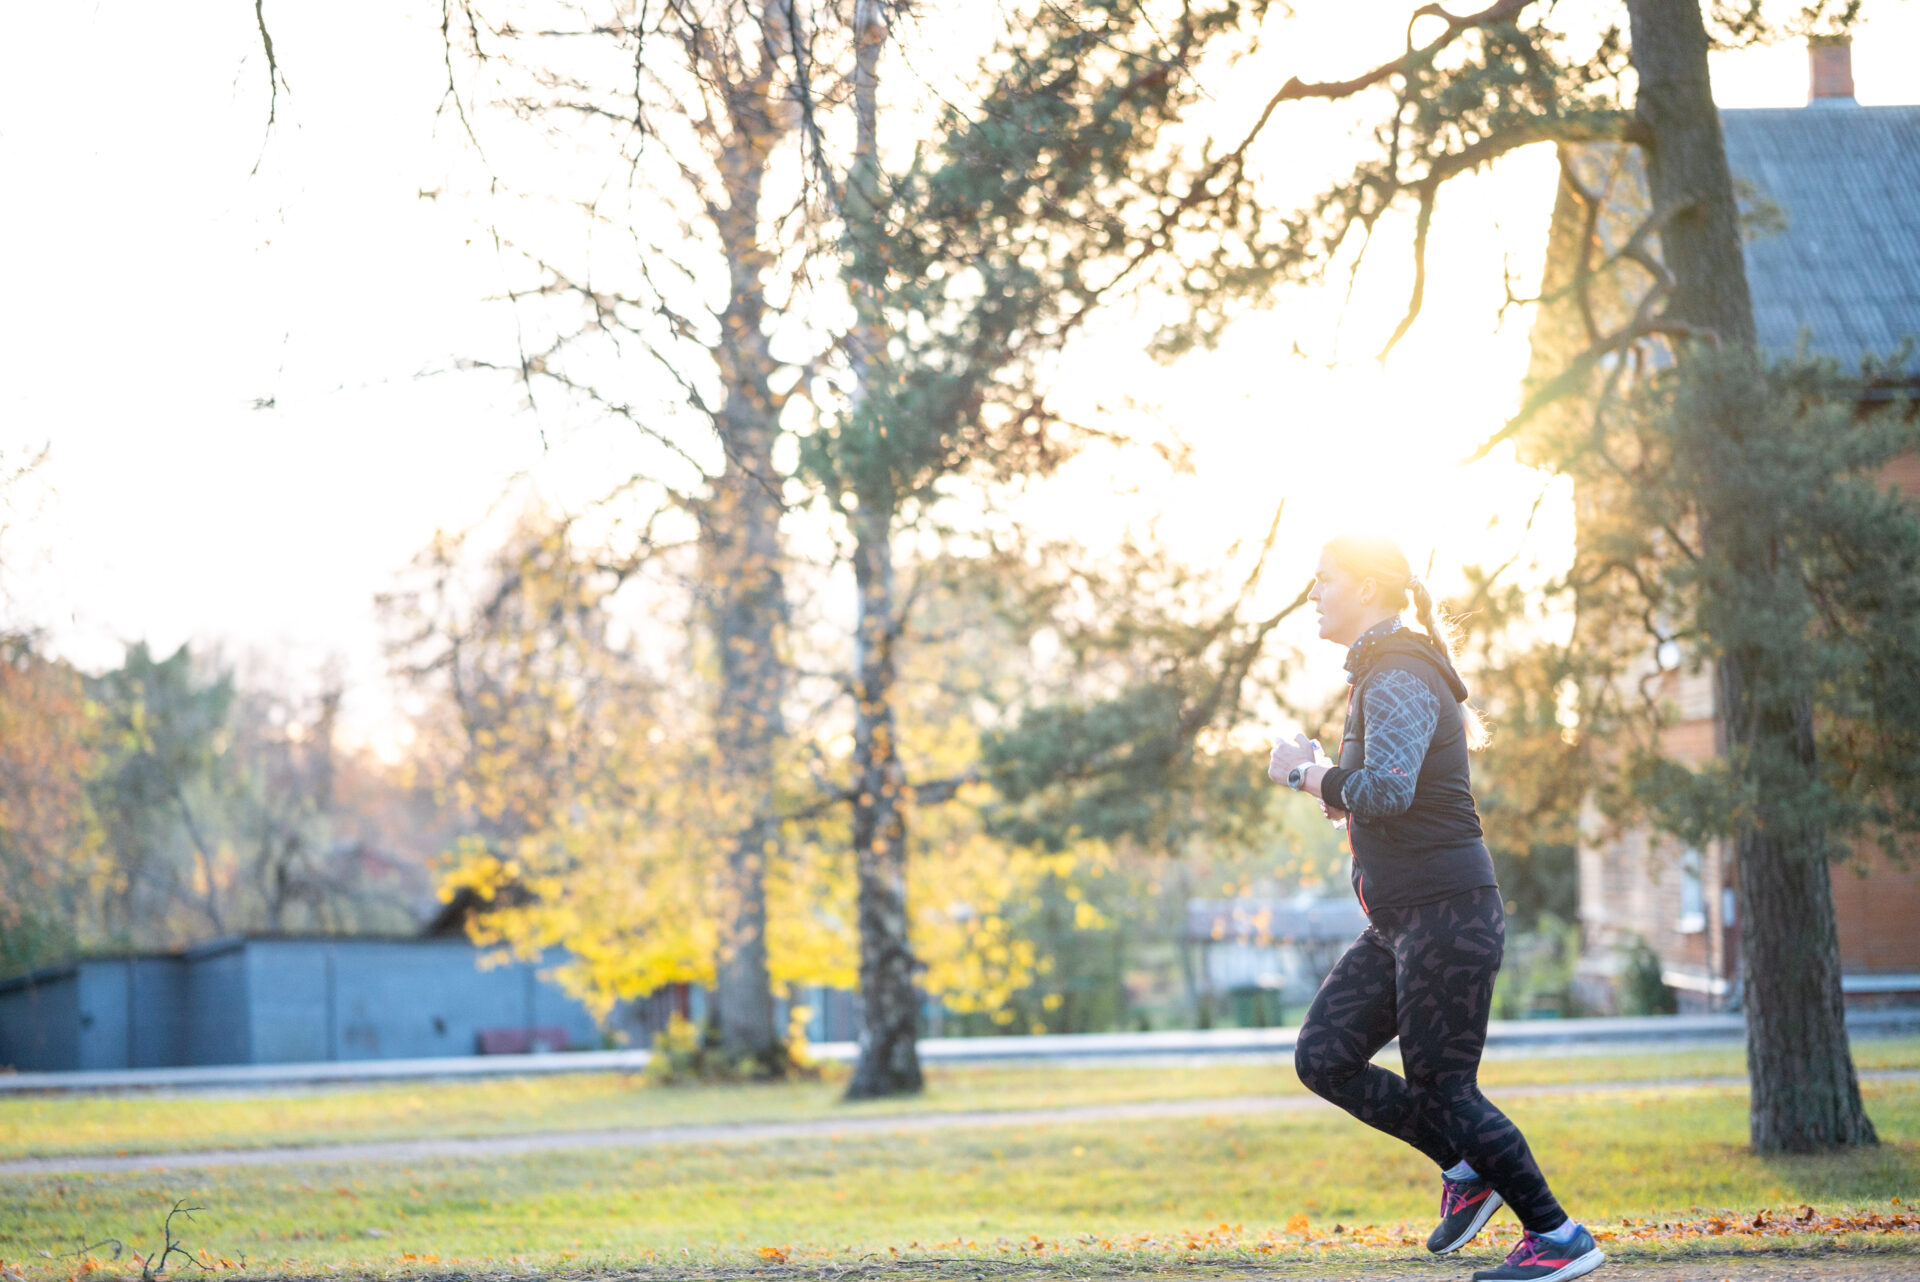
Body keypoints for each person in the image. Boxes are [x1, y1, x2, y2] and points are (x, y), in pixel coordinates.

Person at [1266, 533, 1604, 1282]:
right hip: (1400, 921)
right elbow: (1388, 794)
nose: (1313, 594)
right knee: (1325, 1056)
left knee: (1445, 1088)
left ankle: (1557, 1236)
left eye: (1325, 580)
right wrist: (1336, 788)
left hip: (1447, 914)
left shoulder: (1397, 672)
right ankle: (1465, 1169)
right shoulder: (1380, 672)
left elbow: (1388, 790)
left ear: (1366, 587)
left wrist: (1304, 774)